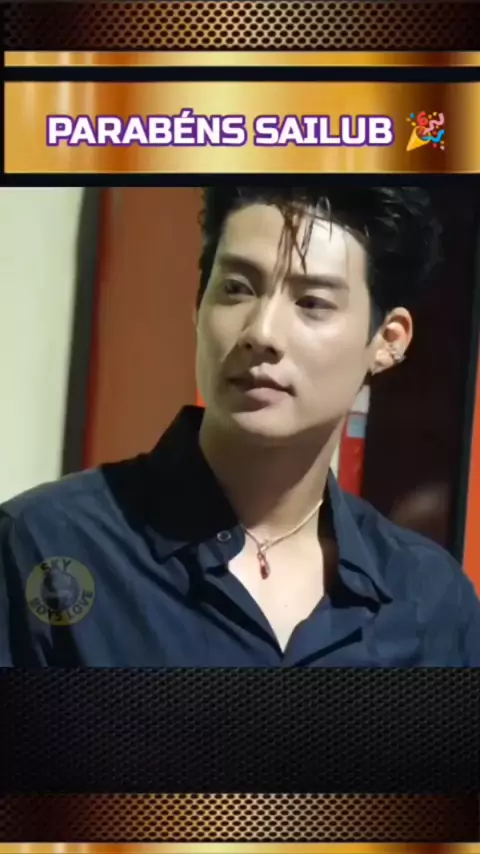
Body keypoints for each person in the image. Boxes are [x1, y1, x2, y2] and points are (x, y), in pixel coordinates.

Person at [1, 185, 479, 666]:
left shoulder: (429, 601)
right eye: (236, 289)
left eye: (312, 302)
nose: (261, 333)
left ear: (388, 341)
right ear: (198, 306)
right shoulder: (48, 547)